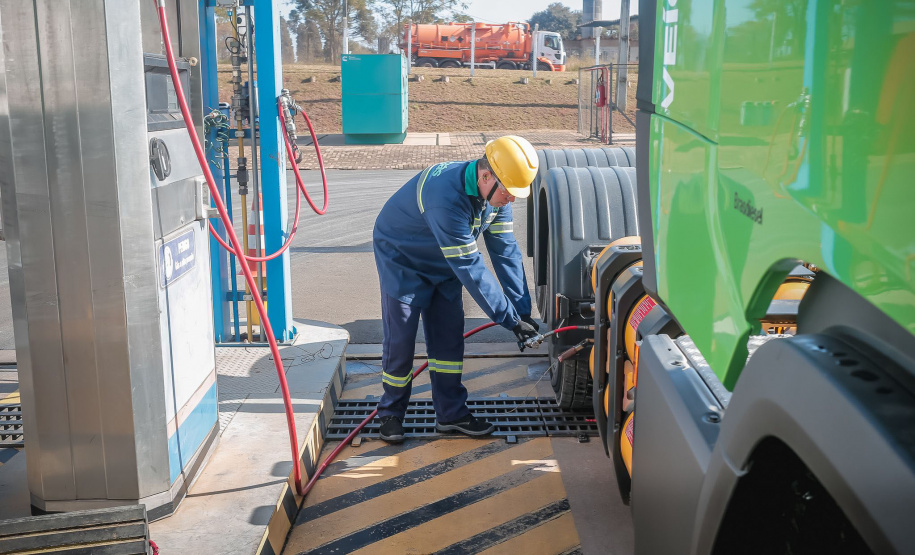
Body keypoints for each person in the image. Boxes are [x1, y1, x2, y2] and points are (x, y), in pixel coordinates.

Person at [372, 135, 542, 444]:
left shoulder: (494, 196)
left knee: (449, 337)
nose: (512, 199)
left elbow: (505, 252)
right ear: (485, 175)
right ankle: (391, 414)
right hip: (403, 258)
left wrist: (522, 311)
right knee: (402, 339)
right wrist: (509, 321)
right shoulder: (445, 197)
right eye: (509, 191)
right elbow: (472, 268)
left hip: (446, 260)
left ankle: (450, 414)